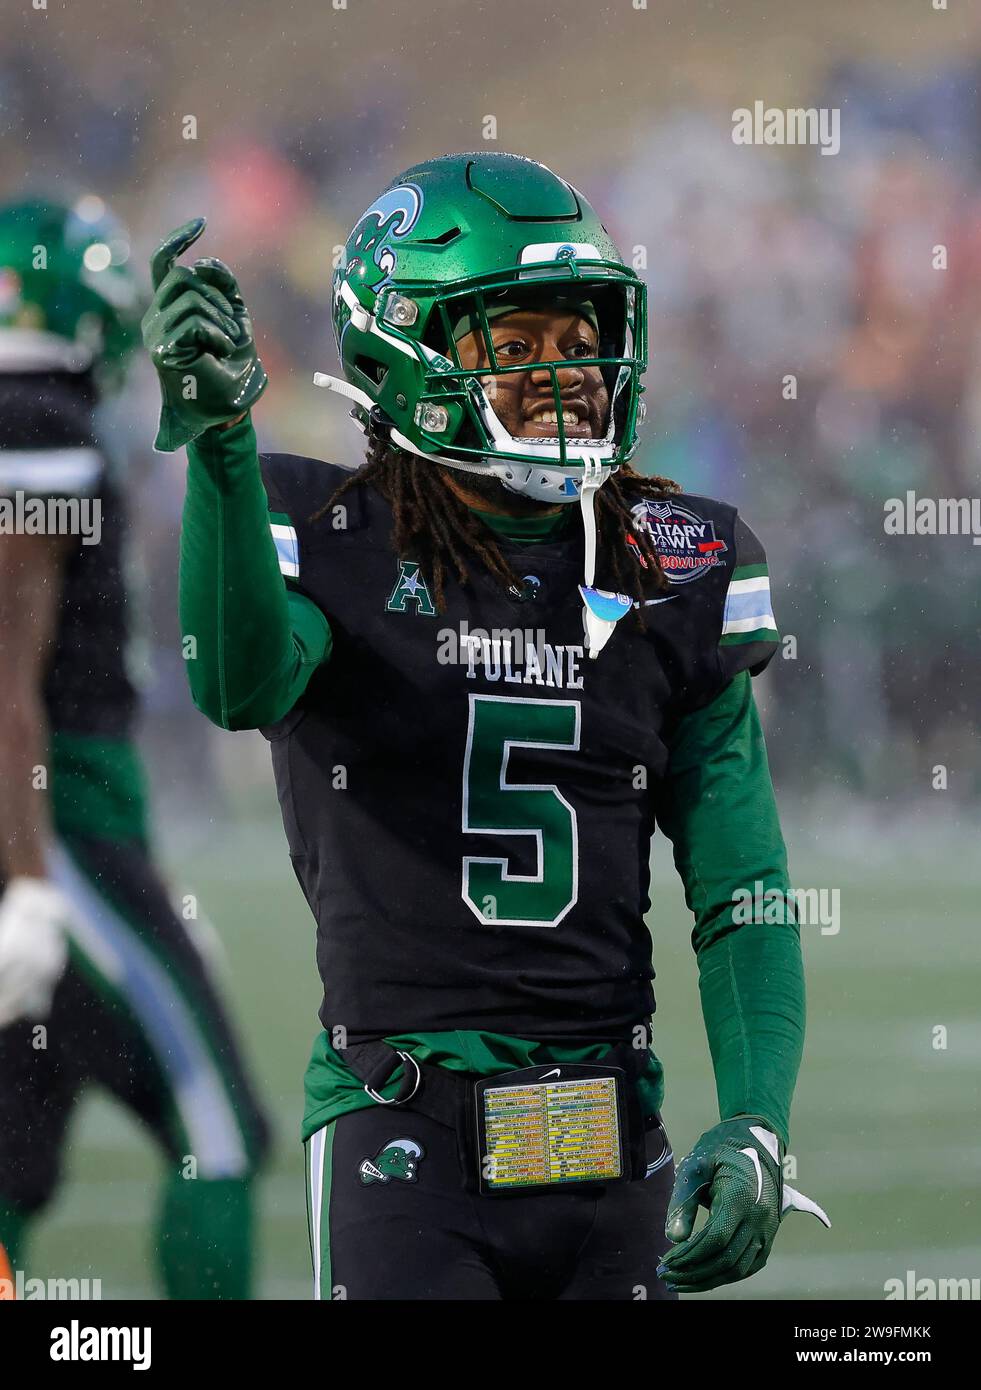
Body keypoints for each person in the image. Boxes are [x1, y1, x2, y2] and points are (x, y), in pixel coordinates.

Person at [142, 152, 827, 1301]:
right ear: (401, 355)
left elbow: (743, 883)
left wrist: (757, 1120)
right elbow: (238, 687)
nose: (566, 377)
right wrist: (217, 449)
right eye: (514, 349)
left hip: (612, 1127)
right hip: (401, 1123)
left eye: (579, 339)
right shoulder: (330, 533)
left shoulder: (674, 561)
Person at [0, 196, 269, 1299]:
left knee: (12, 1163)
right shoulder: (37, 425)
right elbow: (3, 675)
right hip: (55, 831)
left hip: (65, 832)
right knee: (221, 1128)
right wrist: (29, 884)